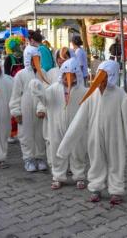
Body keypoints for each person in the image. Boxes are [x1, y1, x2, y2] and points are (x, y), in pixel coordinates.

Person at [57, 60, 127, 205]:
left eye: (104, 79)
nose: (101, 82)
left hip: (115, 136)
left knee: (116, 162)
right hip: (94, 135)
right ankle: (96, 187)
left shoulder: (121, 96)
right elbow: (78, 121)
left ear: (112, 77)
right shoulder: (91, 94)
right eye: (98, 78)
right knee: (96, 161)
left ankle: (116, 190)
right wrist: (65, 146)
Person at [30, 57, 87, 190]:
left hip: (76, 127)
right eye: (66, 75)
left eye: (72, 75)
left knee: (77, 150)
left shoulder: (83, 91)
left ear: (77, 75)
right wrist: (38, 91)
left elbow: (89, 106)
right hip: (56, 125)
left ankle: (79, 175)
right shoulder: (53, 89)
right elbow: (45, 100)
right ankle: (58, 176)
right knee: (56, 150)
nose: (69, 78)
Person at [9, 45, 50, 172]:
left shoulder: (43, 73)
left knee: (40, 134)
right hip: (25, 106)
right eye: (33, 59)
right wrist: (16, 111)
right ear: (28, 58)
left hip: (39, 108)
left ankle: (40, 157)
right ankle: (28, 159)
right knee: (25, 134)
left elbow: (47, 91)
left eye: (37, 58)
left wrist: (42, 108)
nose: (35, 61)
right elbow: (15, 95)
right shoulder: (20, 75)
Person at [4, 35, 25, 144]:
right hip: (11, 87)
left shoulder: (23, 57)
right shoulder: (9, 58)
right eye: (20, 44)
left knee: (21, 109)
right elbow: (6, 74)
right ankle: (10, 133)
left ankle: (19, 132)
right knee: (11, 110)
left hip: (22, 87)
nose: (22, 46)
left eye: (22, 44)